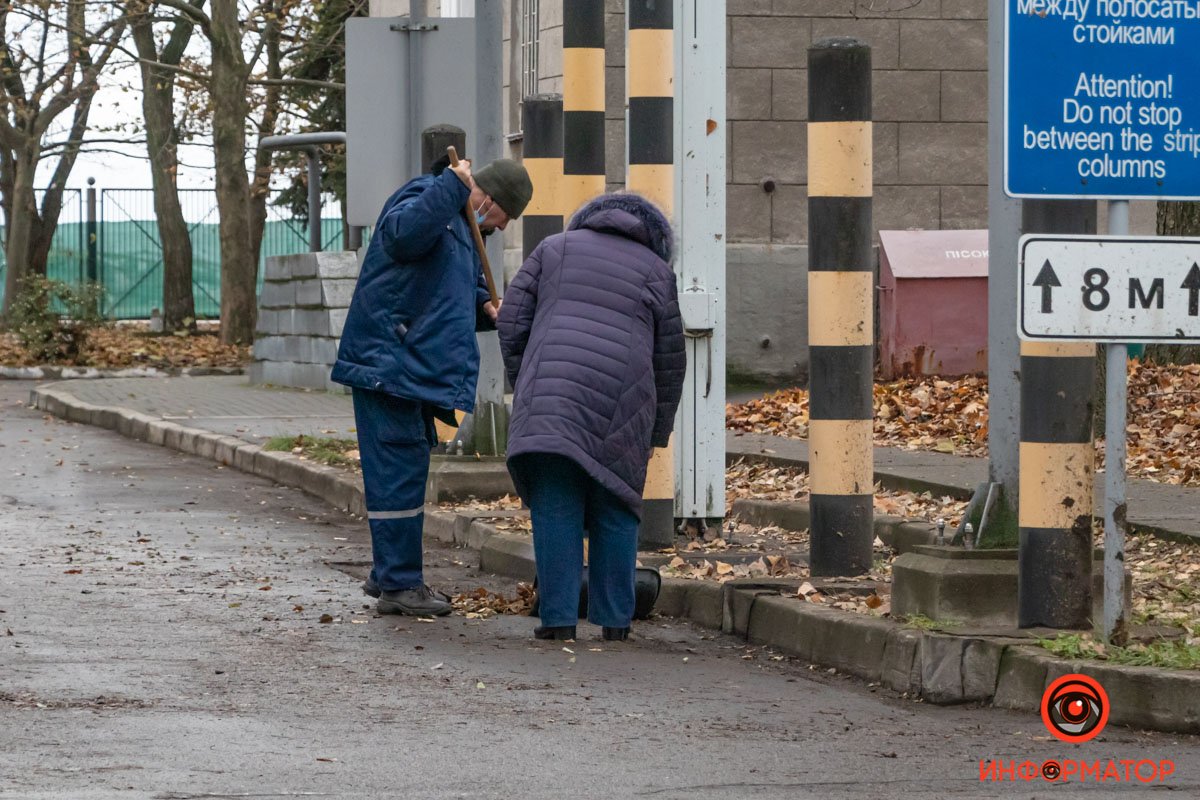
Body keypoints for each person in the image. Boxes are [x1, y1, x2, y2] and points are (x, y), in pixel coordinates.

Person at [332, 156, 533, 617]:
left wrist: (484, 306)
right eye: (501, 219)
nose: (497, 230)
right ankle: (400, 585)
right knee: (397, 473)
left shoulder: (460, 227)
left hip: (407, 366)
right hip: (392, 364)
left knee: (402, 470)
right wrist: (450, 187)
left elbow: (445, 283)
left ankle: (390, 575)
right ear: (487, 199)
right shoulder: (429, 197)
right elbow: (402, 237)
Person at [497, 192, 685, 641]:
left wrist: (527, 380)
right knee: (616, 505)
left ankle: (558, 621)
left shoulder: (553, 249)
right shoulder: (657, 271)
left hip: (550, 396)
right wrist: (656, 430)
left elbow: (511, 322)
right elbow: (670, 359)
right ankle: (614, 623)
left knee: (555, 504)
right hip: (624, 402)